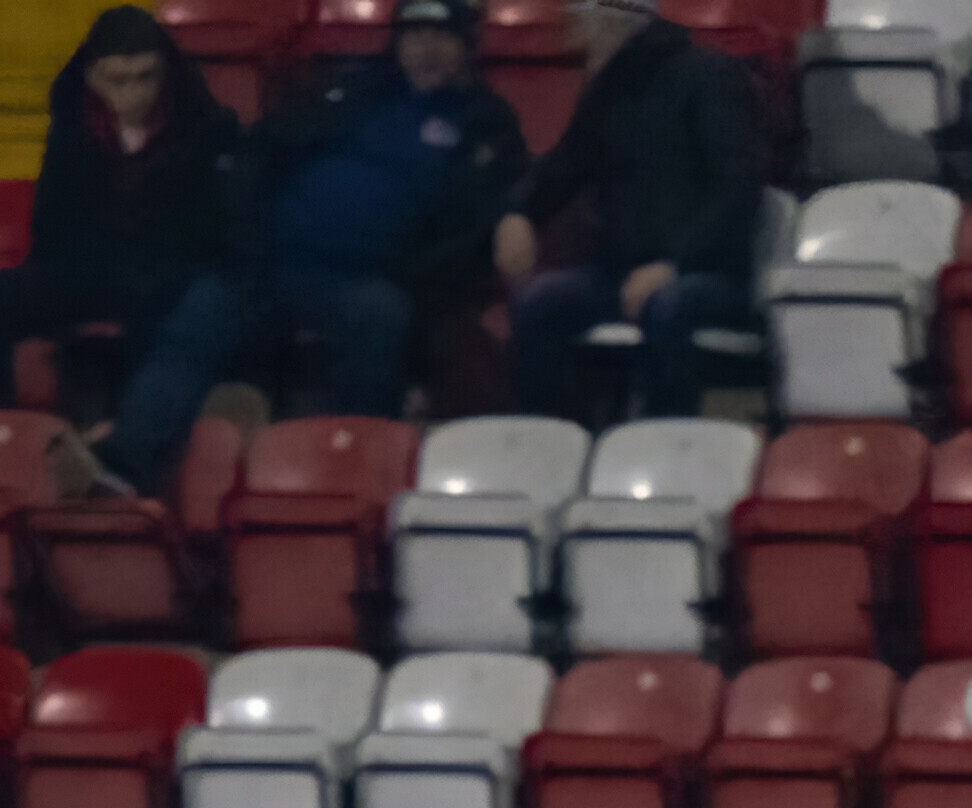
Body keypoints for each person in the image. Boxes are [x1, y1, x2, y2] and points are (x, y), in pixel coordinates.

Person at [92, 0, 527, 494]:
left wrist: (403, 270)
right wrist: (243, 242)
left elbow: (472, 228)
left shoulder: (487, 123)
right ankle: (124, 470)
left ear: (466, 44)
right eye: (413, 35)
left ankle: (348, 478)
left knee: (379, 315)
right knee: (195, 318)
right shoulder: (351, 91)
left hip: (364, 280)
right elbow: (257, 154)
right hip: (267, 263)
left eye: (439, 37)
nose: (424, 49)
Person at [0, 6, 240, 412]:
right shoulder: (73, 127)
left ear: (166, 73)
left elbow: (207, 231)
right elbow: (52, 222)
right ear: (92, 77)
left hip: (163, 277)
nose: (134, 93)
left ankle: (130, 440)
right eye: (119, 81)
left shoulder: (206, 127)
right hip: (83, 271)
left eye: (146, 77)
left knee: (177, 303)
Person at [495, 0, 766, 422]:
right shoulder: (610, 88)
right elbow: (566, 163)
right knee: (538, 303)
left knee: (667, 306)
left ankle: (665, 443)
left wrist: (674, 262)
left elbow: (738, 188)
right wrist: (518, 211)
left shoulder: (708, 75)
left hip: (709, 274)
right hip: (619, 271)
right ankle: (560, 441)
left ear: (608, 23)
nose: (574, 34)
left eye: (582, 20)